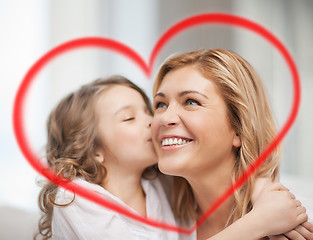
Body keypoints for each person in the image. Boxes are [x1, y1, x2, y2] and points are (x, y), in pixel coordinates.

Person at [36, 75, 309, 240]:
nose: (155, 121)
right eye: (130, 118)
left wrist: (262, 190)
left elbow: (224, 172)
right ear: (94, 148)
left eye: (149, 110)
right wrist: (259, 221)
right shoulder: (74, 197)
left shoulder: (160, 184)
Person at [151, 48, 313, 240]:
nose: (165, 118)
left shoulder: (296, 220)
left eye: (191, 102)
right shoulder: (157, 213)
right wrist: (257, 223)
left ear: (239, 128)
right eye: (161, 104)